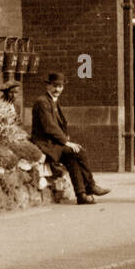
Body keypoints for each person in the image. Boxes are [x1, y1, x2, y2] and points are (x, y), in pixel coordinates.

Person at [30, 72, 110, 205]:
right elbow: (49, 127)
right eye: (54, 86)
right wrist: (66, 142)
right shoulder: (42, 102)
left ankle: (81, 195)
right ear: (48, 86)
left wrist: (66, 140)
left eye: (60, 86)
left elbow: (60, 125)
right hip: (45, 144)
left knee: (73, 157)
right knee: (80, 151)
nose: (57, 90)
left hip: (53, 143)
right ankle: (90, 186)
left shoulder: (53, 101)